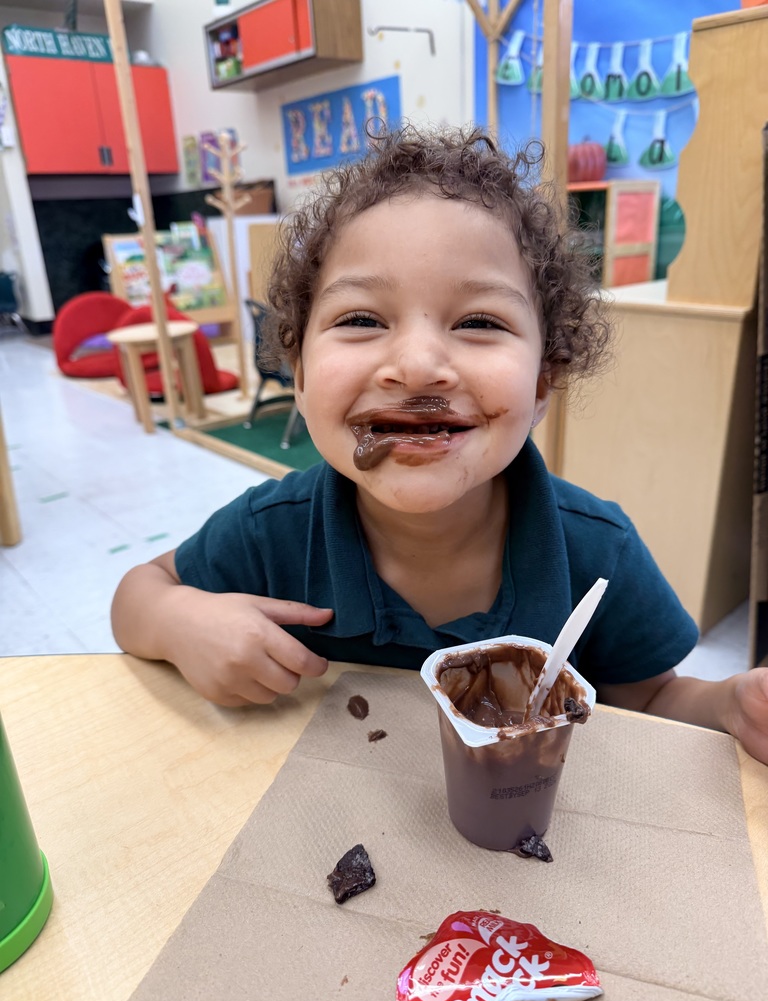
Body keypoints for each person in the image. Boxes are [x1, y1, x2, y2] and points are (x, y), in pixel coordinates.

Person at [111, 124, 768, 765]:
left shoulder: (596, 550)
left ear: (543, 381)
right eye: (361, 319)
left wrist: (732, 706)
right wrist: (178, 622)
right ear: (301, 376)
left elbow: (652, 698)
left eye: (478, 321)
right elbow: (139, 593)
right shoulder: (271, 533)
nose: (419, 364)